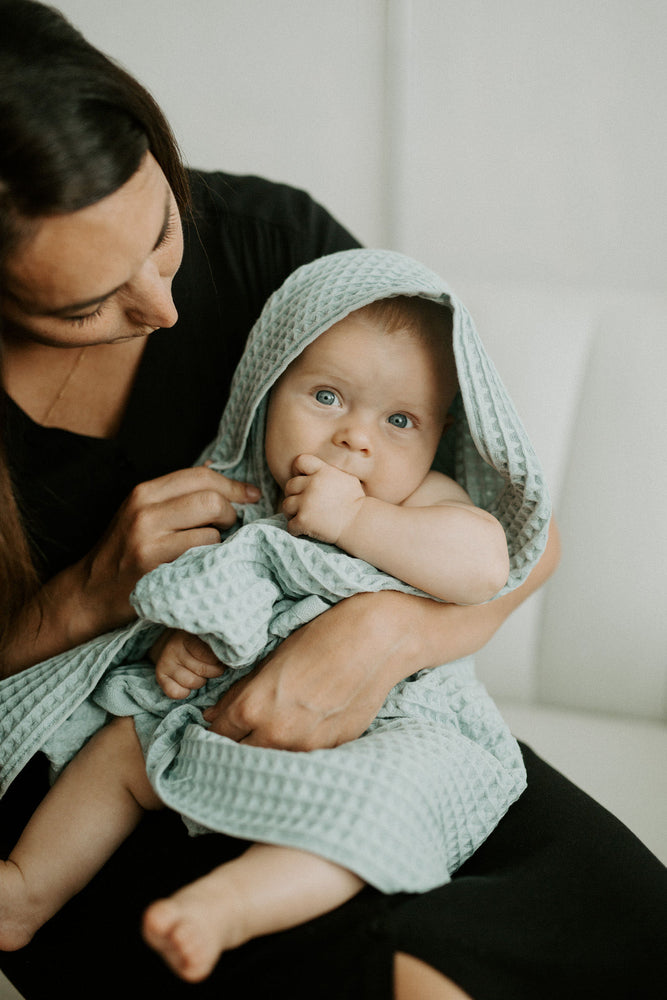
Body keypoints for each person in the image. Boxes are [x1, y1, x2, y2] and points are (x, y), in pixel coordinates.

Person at [0, 3, 664, 999]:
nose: (164, 309)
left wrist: (381, 639)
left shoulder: (276, 251)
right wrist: (86, 597)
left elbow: (519, 541)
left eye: (161, 231)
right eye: (85, 307)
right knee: (372, 971)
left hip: (381, 709)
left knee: (628, 924)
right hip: (124, 734)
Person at [1, 278, 525, 983]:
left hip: (384, 721)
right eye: (327, 397)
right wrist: (188, 642)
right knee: (120, 747)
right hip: (219, 708)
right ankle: (27, 891)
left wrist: (356, 521)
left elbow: (482, 566)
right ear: (267, 389)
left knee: (376, 803)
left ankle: (227, 906)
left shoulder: (423, 497)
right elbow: (205, 588)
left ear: (438, 438)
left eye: (400, 420)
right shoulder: (239, 496)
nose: (355, 437)